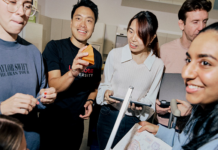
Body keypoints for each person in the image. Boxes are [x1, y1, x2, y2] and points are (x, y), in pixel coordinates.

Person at [138, 22, 218, 150]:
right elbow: (184, 141)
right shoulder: (200, 115)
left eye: (205, 62)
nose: (185, 73)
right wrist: (159, 130)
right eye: (188, 60)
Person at [96, 11, 164, 150]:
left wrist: (141, 107)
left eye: (140, 35)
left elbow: (151, 102)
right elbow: (103, 87)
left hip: (135, 121)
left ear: (151, 38)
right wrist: (106, 95)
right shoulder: (115, 55)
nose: (133, 39)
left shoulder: (157, 65)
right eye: (131, 31)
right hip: (109, 115)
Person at [40, 0, 102, 149]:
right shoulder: (55, 47)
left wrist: (90, 101)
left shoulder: (96, 56)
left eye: (89, 21)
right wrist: (73, 72)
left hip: (76, 127)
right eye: (78, 18)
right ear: (71, 22)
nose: (83, 25)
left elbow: (94, 87)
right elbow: (53, 84)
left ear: (93, 27)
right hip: (51, 124)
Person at [0, 0, 57, 150]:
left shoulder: (33, 52)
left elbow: (41, 99)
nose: (21, 11)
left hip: (30, 143)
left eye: (27, 5)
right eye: (13, 1)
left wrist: (46, 98)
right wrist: (2, 108)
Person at [156, 0, 212, 129]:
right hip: (163, 124)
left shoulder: (212, 55)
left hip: (194, 127)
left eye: (204, 21)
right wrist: (155, 104)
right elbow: (153, 86)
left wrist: (193, 110)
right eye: (195, 22)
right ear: (181, 24)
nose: (202, 27)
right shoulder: (164, 51)